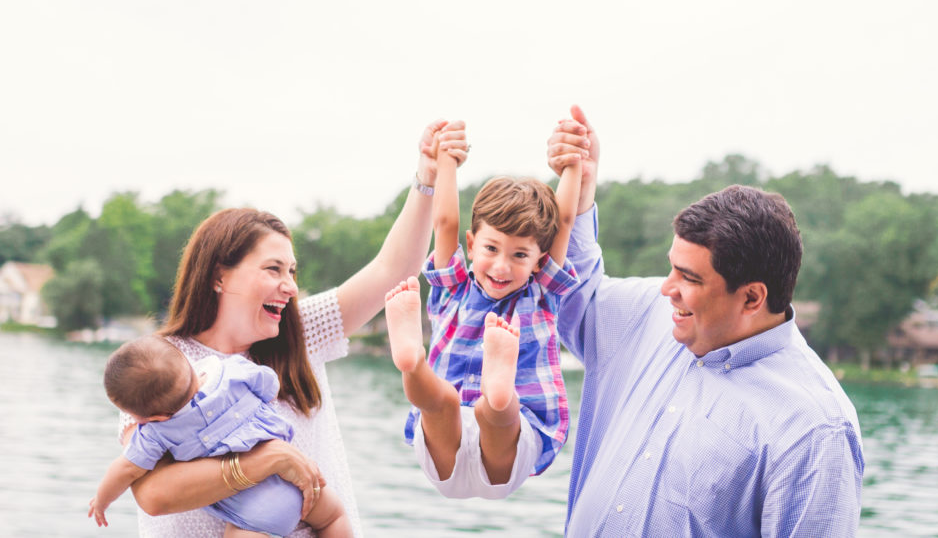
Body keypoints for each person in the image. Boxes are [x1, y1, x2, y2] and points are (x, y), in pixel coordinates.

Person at [120, 119, 468, 538]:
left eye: (292, 270)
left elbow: (392, 270)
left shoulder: (301, 332)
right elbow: (153, 493)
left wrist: (427, 180)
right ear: (219, 277)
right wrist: (268, 462)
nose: (290, 285)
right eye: (273, 269)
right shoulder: (161, 365)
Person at [545, 105, 864, 537]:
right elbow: (571, 296)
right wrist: (577, 198)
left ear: (752, 297)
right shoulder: (652, 315)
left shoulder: (814, 429)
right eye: (672, 268)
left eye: (689, 278)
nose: (666, 289)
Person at [383, 123, 583, 499]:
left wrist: (573, 165)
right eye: (491, 249)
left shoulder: (541, 292)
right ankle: (411, 358)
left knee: (491, 413)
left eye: (520, 254)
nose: (502, 267)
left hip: (515, 432)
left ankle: (494, 391)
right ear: (471, 245)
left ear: (540, 260)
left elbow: (565, 220)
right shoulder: (453, 286)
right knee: (441, 401)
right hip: (454, 433)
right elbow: (445, 223)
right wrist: (447, 161)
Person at [89, 336, 351, 537]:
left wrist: (102, 500)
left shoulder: (157, 432)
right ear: (189, 364)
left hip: (255, 515)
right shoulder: (231, 371)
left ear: (154, 417)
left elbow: (125, 470)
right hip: (302, 482)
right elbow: (270, 385)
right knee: (334, 518)